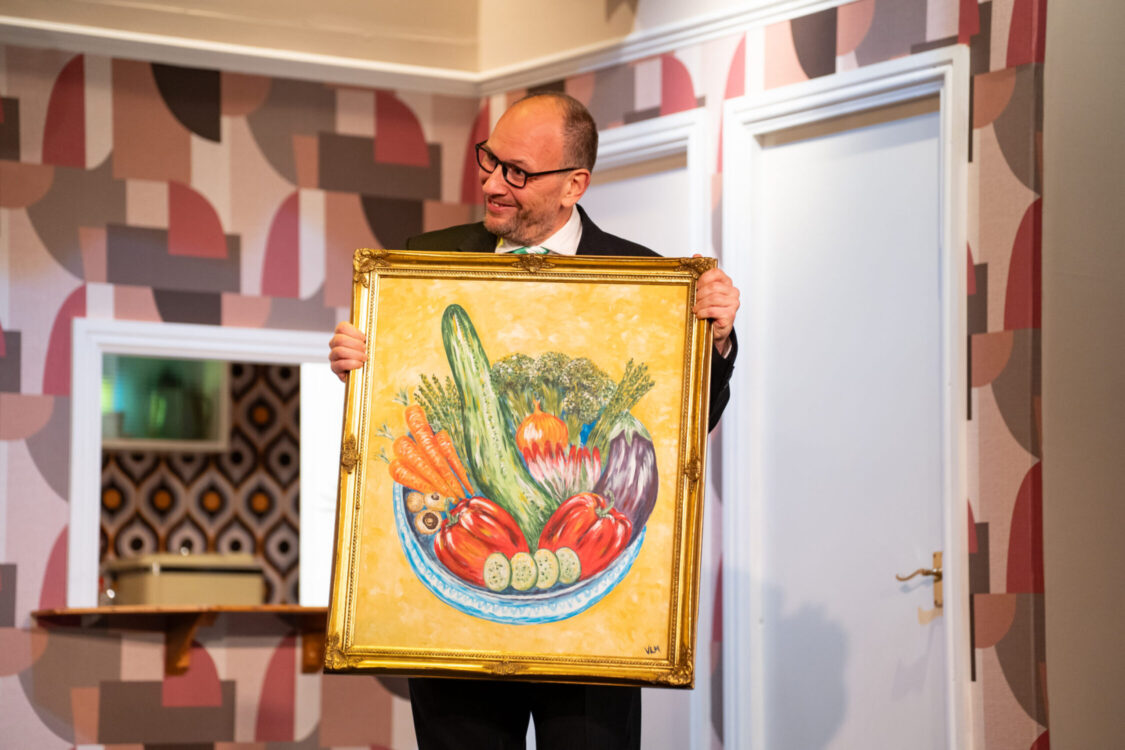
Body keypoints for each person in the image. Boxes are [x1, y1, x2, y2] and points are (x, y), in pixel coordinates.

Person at [328, 92, 740, 750]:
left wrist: (714, 344)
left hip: (589, 627)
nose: (492, 183)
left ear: (574, 184)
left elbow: (681, 428)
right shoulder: (424, 260)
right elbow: (395, 407)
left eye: (516, 172)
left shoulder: (642, 278)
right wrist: (359, 367)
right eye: (489, 160)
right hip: (459, 622)